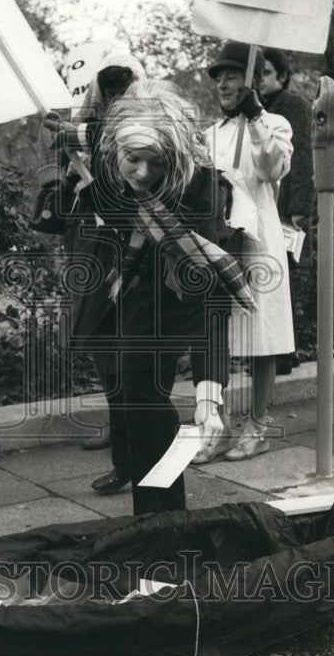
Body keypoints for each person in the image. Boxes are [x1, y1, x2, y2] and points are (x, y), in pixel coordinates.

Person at [61, 80, 248, 515]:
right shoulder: (108, 160)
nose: (142, 173)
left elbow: (209, 300)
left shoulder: (200, 189)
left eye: (155, 162)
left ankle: (164, 520)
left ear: (176, 157)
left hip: (167, 297)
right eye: (133, 159)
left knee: (145, 395)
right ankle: (151, 512)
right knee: (128, 392)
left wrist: (208, 393)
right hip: (114, 290)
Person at [42, 49, 144, 495]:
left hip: (132, 262)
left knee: (134, 365)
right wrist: (68, 172)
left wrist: (76, 132)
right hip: (93, 261)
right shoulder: (88, 138)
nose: (115, 105)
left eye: (123, 96)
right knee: (108, 360)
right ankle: (126, 458)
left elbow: (122, 140)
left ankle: (138, 460)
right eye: (108, 98)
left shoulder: (142, 135)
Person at [197, 41, 294, 462]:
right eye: (218, 78)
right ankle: (216, 426)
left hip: (258, 244)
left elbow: (273, 168)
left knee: (262, 335)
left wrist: (255, 117)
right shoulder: (208, 135)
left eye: (232, 76)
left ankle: (257, 425)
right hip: (218, 244)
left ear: (251, 80)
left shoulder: (274, 123)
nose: (222, 84)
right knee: (215, 336)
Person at [257, 47, 314, 374]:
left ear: (281, 75)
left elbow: (302, 158)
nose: (261, 79)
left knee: (282, 278)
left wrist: (299, 211)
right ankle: (274, 352)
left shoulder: (292, 106)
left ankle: (284, 354)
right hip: (263, 207)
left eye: (267, 73)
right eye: (258, 73)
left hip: (284, 210)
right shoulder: (256, 108)